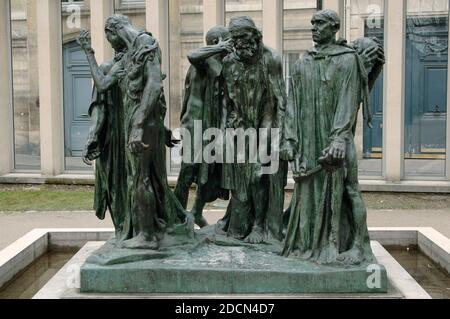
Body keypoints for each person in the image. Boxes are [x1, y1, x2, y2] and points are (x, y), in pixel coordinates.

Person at [78, 14, 192, 250]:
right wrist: (88, 53)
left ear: (113, 31)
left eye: (108, 37)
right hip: (141, 124)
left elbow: (154, 85)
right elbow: (106, 84)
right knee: (141, 179)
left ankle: (146, 237)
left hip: (139, 125)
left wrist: (139, 125)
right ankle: (146, 231)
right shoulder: (130, 53)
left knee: (139, 179)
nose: (110, 43)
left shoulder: (144, 44)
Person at [281, 10, 376, 265]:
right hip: (309, 138)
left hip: (337, 138)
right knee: (308, 191)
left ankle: (358, 246)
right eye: (312, 23)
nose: (314, 28)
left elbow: (348, 100)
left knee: (350, 189)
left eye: (320, 23)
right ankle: (311, 241)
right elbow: (293, 103)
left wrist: (338, 139)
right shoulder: (302, 62)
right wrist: (289, 139)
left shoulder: (347, 60)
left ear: (334, 27)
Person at [217, 16, 288, 244]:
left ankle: (259, 225)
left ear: (256, 35)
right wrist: (223, 128)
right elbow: (226, 100)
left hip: (265, 126)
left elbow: (277, 103)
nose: (239, 44)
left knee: (258, 176)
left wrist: (272, 140)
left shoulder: (271, 59)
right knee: (242, 184)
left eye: (243, 38)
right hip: (237, 130)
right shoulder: (229, 62)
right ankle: (240, 224)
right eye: (235, 39)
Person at [174, 26, 233, 228]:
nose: (231, 43)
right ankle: (178, 217)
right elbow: (192, 54)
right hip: (195, 124)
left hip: (211, 124)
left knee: (207, 169)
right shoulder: (202, 62)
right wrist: (219, 47)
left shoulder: (221, 64)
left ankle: (197, 212)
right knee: (188, 170)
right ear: (218, 41)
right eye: (227, 40)